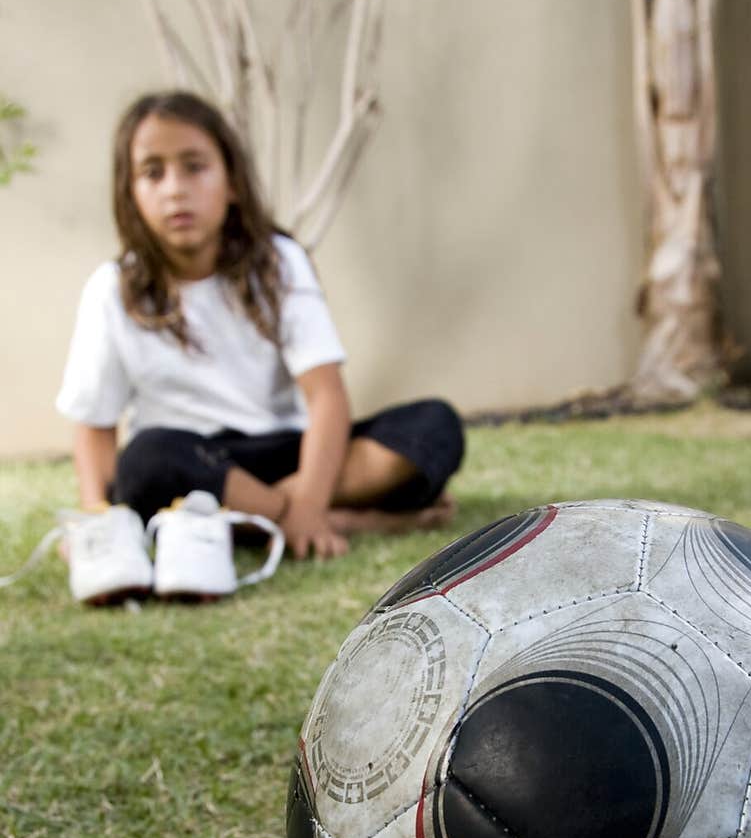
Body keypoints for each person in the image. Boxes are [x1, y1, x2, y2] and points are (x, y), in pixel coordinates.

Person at [54, 90, 464, 598]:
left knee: (433, 427)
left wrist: (310, 497)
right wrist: (97, 520)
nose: (175, 190)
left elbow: (326, 396)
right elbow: (94, 426)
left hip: (284, 453)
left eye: (194, 167)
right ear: (129, 192)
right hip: (189, 461)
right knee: (144, 461)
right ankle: (346, 520)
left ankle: (243, 523)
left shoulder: (278, 263)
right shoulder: (111, 289)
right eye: (153, 173)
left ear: (231, 182)